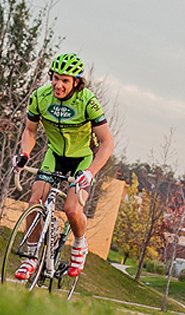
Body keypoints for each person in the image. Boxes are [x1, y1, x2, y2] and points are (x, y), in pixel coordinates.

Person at [11, 53, 114, 279]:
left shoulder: (87, 101)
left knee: (72, 209)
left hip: (83, 159)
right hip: (55, 155)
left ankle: (80, 243)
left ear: (76, 82)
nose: (58, 85)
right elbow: (30, 131)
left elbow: (107, 143)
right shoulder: (40, 97)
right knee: (35, 202)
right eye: (55, 78)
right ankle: (31, 258)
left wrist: (90, 172)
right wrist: (24, 154)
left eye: (65, 81)